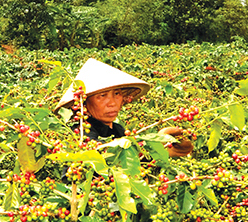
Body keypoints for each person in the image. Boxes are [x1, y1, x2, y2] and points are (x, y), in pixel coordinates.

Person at [56, 58, 193, 157]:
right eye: (102, 96)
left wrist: (163, 150)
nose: (112, 102)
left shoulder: (118, 129)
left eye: (117, 94)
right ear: (83, 103)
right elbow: (103, 155)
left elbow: (131, 163)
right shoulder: (79, 133)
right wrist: (155, 143)